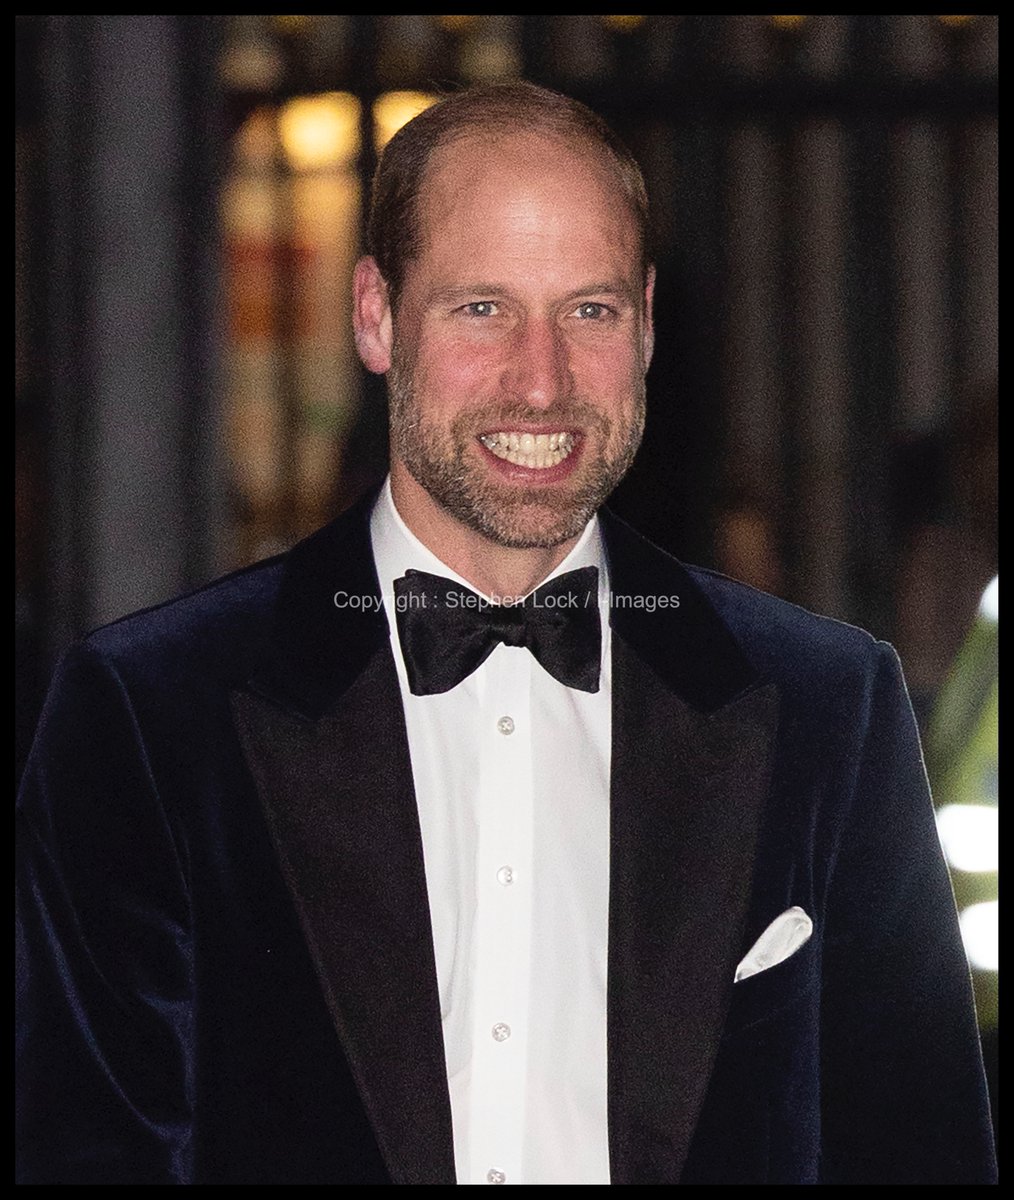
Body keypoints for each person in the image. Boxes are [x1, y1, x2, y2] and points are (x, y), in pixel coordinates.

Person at [16, 81, 996, 1186]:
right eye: (483, 308)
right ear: (376, 316)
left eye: (590, 310)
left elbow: (920, 1155)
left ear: (648, 323)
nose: (543, 380)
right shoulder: (150, 713)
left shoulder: (827, 704)